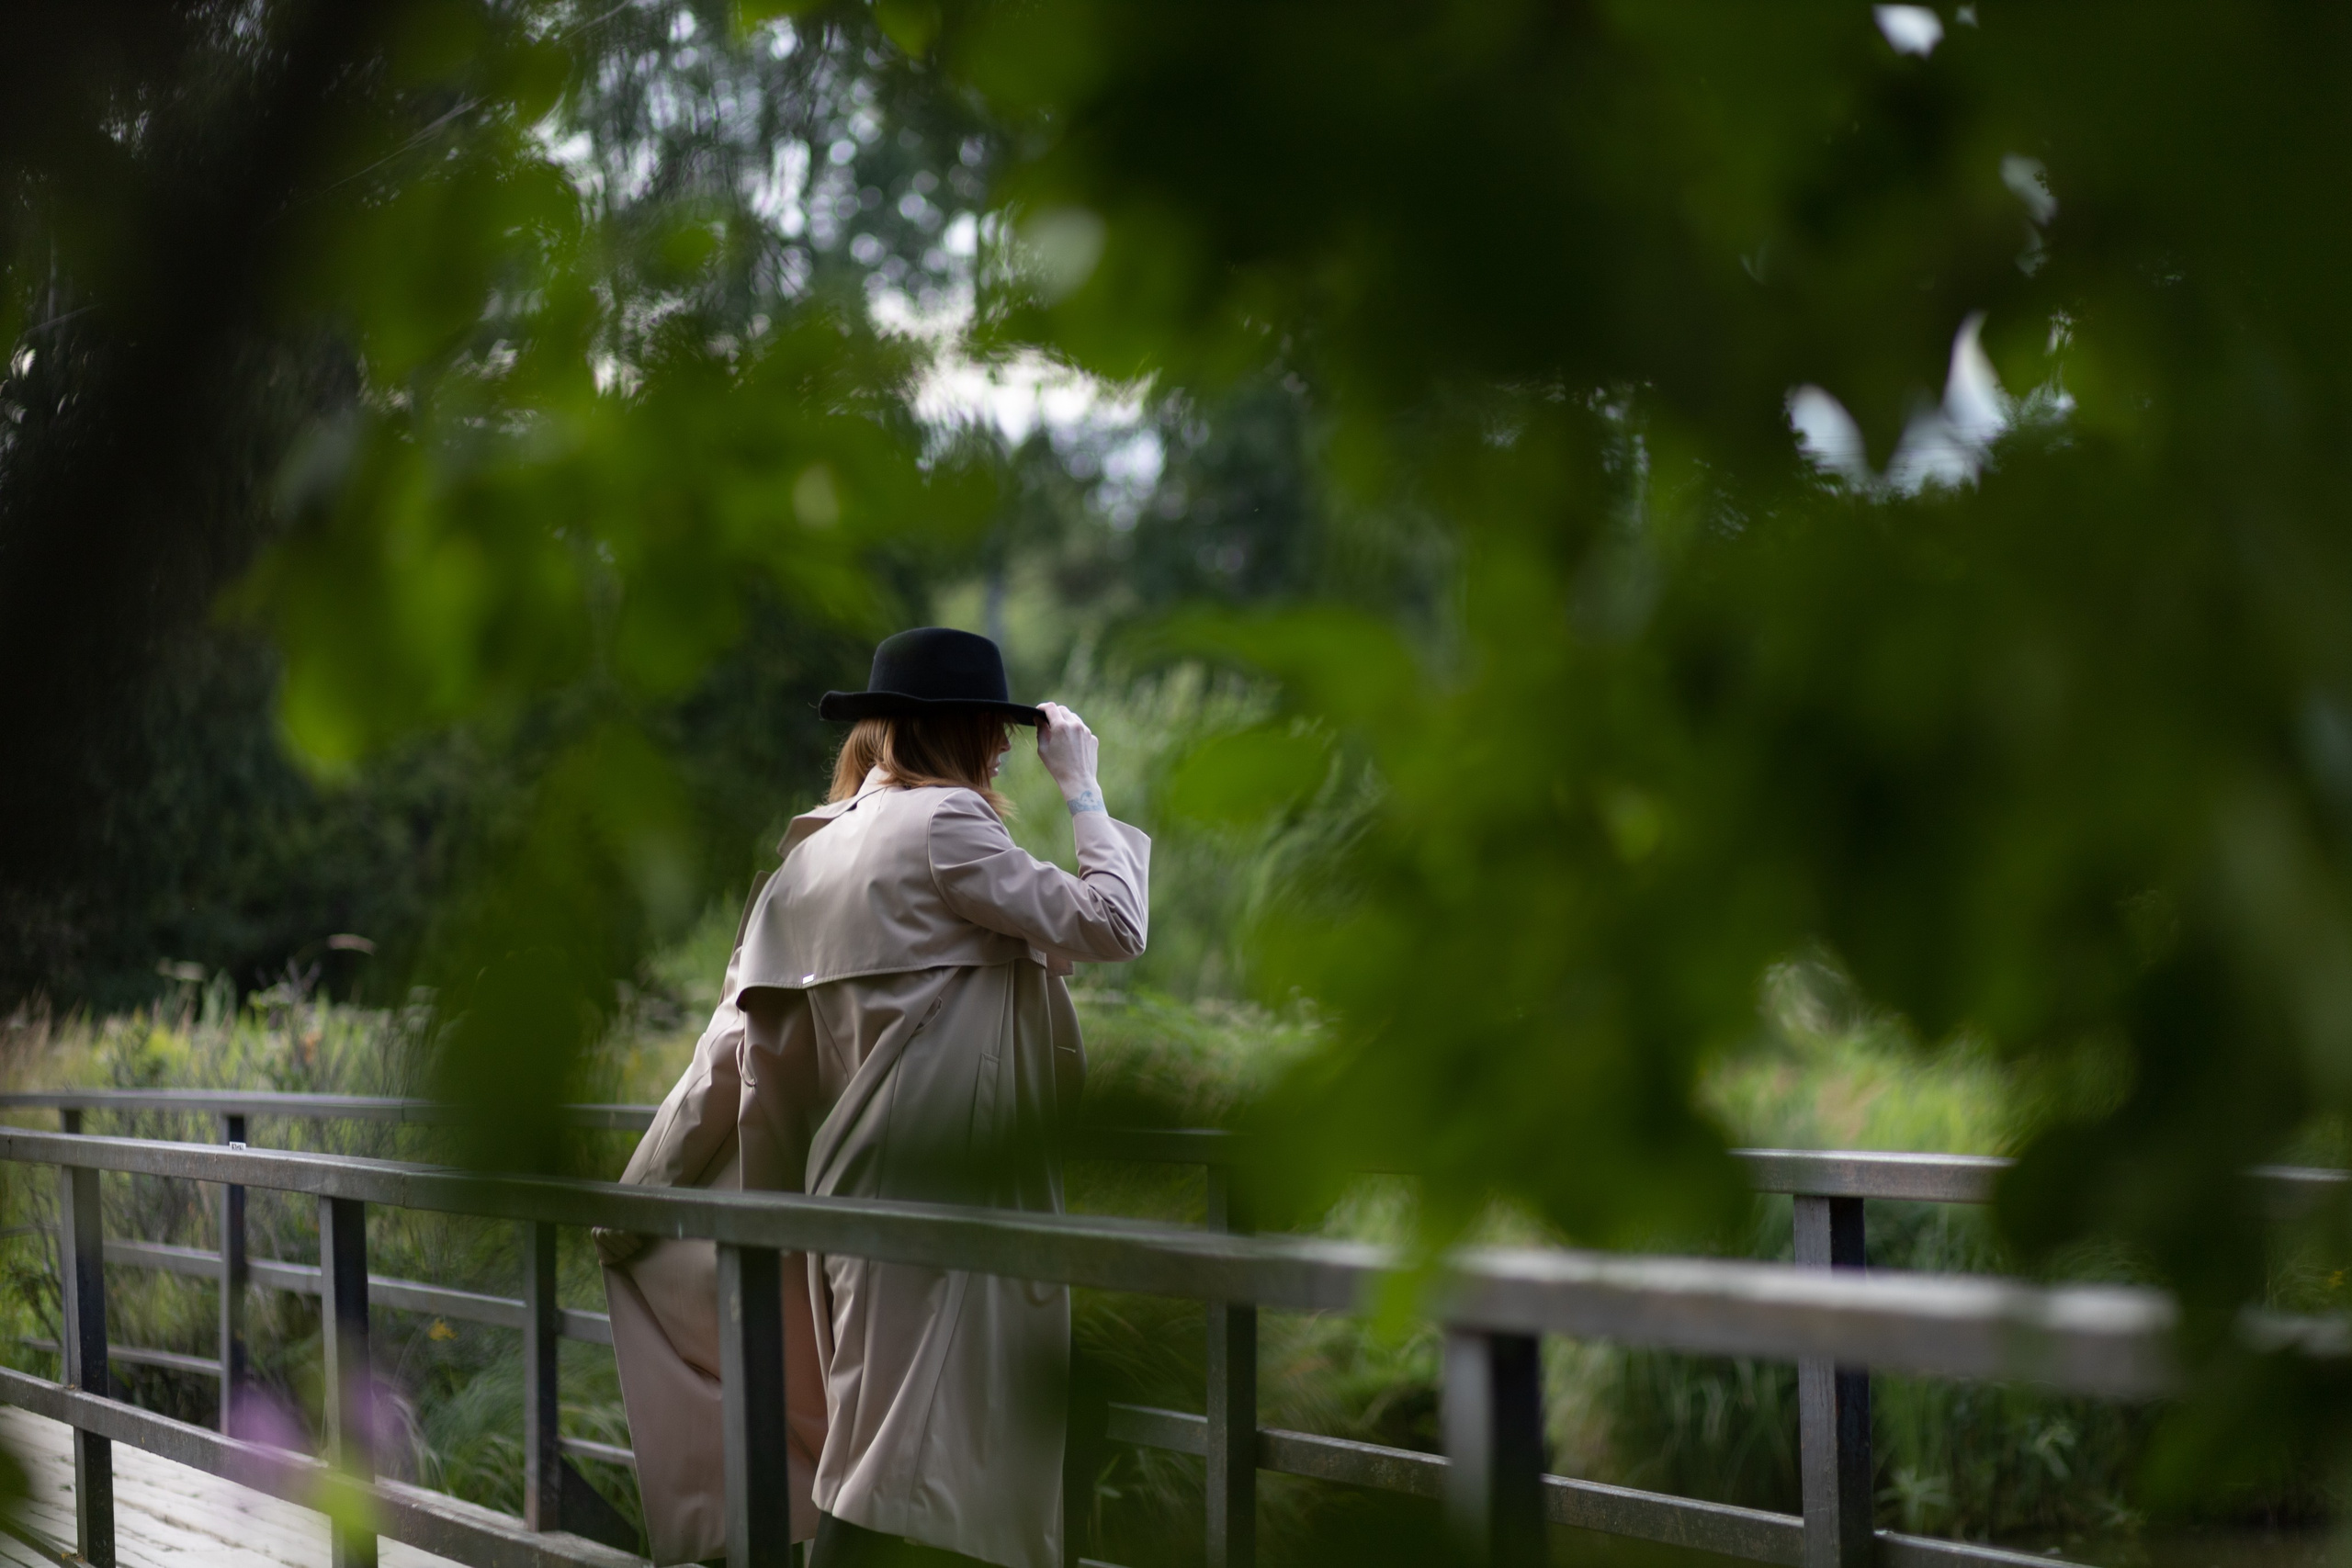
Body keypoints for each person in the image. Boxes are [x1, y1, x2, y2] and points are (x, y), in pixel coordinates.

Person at [594, 626, 1150, 1568]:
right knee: (896, 1465)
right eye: (997, 729)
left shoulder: (808, 857)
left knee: (879, 1446)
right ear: (966, 732)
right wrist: (1085, 789)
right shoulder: (947, 827)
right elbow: (1113, 923)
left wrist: (641, 1192)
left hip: (846, 1192)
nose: (1009, 749)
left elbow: (729, 1049)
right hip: (954, 1198)